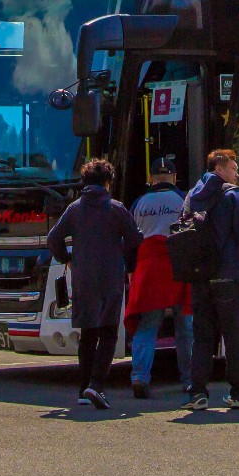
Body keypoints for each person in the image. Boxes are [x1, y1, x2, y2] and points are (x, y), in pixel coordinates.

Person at [45, 158, 142, 410]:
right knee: (109, 332)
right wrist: (128, 263)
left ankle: (82, 388)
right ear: (107, 182)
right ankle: (97, 385)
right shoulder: (116, 208)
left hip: (83, 278)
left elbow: (54, 237)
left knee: (88, 333)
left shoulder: (75, 209)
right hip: (110, 277)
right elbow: (134, 239)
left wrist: (66, 259)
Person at [184, 148, 239, 412]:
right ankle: (238, 393)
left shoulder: (192, 197)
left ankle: (197, 393)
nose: (237, 173)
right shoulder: (233, 196)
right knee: (233, 336)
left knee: (202, 337)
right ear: (219, 169)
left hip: (200, 277)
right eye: (233, 168)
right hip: (228, 276)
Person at [123, 157, 192, 400]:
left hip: (149, 268)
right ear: (174, 177)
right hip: (178, 266)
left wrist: (131, 270)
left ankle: (140, 376)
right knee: (185, 325)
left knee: (147, 325)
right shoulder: (184, 199)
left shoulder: (139, 203)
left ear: (151, 178)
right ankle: (189, 380)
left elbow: (130, 240)